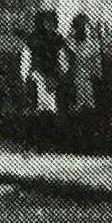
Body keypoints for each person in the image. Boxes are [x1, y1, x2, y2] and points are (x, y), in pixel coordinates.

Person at [15, 9, 67, 145]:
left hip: (52, 77)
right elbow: (26, 59)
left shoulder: (57, 39)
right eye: (47, 22)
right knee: (37, 109)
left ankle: (48, 141)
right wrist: (25, 77)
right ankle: (36, 140)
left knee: (51, 110)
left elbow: (62, 59)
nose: (50, 25)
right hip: (37, 77)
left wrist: (61, 74)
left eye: (52, 22)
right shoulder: (33, 39)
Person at [64, 12, 104, 148]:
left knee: (88, 108)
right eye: (82, 27)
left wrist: (97, 76)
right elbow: (65, 62)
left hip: (87, 80)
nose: (85, 29)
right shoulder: (70, 43)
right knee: (75, 108)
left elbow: (97, 64)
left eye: (86, 26)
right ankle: (75, 140)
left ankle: (88, 140)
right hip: (74, 79)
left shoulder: (92, 44)